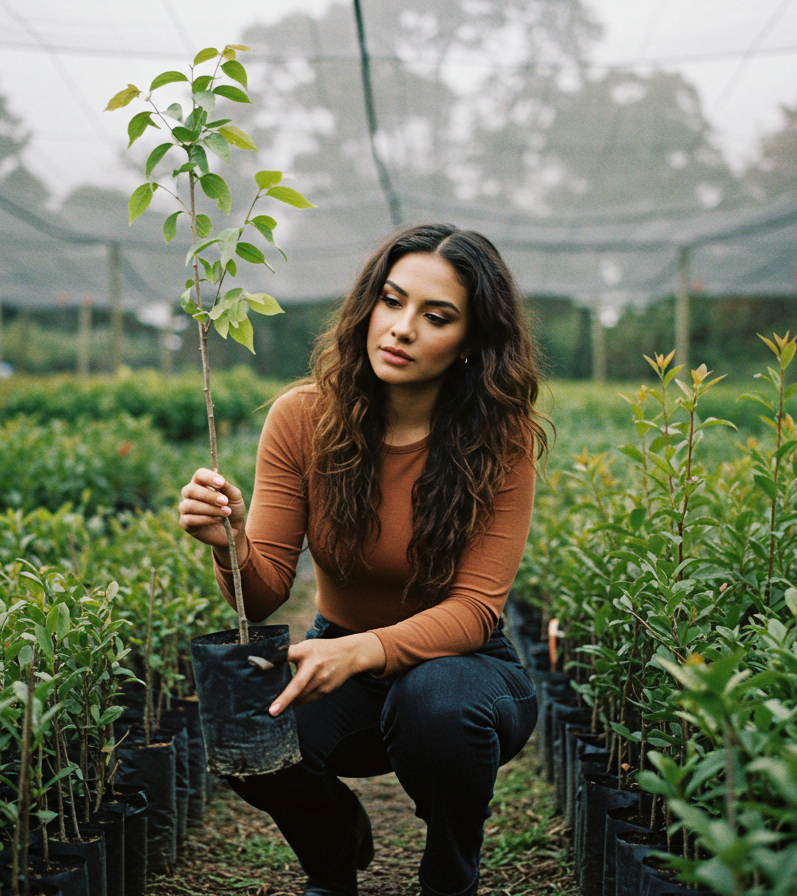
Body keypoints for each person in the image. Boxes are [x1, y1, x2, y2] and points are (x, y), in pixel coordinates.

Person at [177, 223, 548, 896]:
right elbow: (262, 596)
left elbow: (474, 610)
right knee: (245, 726)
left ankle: (449, 874)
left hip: (465, 671)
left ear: (472, 340)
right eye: (391, 300)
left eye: (436, 317)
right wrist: (229, 546)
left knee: (435, 700)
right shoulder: (303, 418)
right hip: (341, 656)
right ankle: (333, 849)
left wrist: (364, 651)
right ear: (367, 305)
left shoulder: (502, 439)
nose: (401, 328)